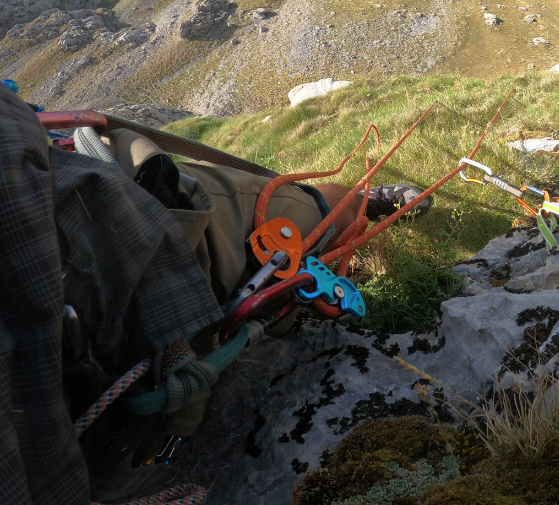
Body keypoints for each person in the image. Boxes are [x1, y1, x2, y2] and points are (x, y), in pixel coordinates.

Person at [0, 82, 429, 503]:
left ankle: (355, 208)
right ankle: (352, 206)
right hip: (107, 221)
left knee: (289, 218)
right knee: (296, 210)